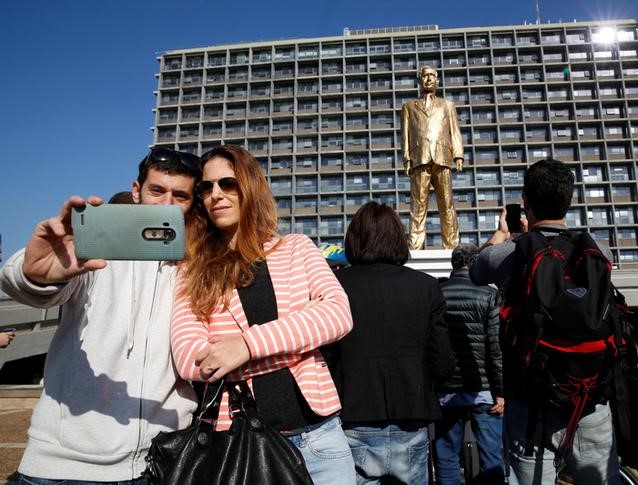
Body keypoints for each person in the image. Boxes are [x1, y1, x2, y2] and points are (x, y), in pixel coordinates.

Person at [0, 147, 201, 483]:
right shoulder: (95, 254)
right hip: (63, 468)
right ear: (136, 192)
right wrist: (35, 274)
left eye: (180, 196)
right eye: (156, 191)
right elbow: (32, 284)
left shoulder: (193, 269)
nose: (166, 204)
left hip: (160, 464)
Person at [169, 145, 356, 484]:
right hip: (241, 444)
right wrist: (298, 338)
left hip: (319, 437)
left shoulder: (297, 248)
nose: (215, 195)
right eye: (206, 187)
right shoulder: (192, 270)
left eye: (228, 183)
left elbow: (338, 314)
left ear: (250, 186)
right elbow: (189, 359)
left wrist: (245, 345)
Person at [469, 159, 620, 484]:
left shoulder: (509, 252)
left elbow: (476, 270)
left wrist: (501, 234)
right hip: (588, 398)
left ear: (525, 200)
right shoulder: (598, 250)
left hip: (531, 402)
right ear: (570, 200)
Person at [327, 201, 454, 485]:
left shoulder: (336, 285)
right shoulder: (426, 286)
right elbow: (442, 359)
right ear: (398, 238)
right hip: (411, 411)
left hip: (352, 412)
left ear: (354, 239)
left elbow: (326, 354)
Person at [434, 243, 505, 485]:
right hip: (483, 391)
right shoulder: (489, 294)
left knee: (446, 456)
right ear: (474, 263)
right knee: (491, 457)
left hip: (445, 392)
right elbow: (495, 348)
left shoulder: (437, 293)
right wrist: (501, 392)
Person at [401, 65, 464, 250]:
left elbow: (455, 132)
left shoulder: (447, 105)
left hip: (442, 158)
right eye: (425, 76)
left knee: (447, 204)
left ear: (436, 80)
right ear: (420, 80)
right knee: (418, 206)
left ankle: (452, 246)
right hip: (419, 158)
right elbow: (405, 136)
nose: (428, 78)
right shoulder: (409, 107)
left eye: (431, 75)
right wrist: (406, 159)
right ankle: (414, 246)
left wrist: (458, 155)